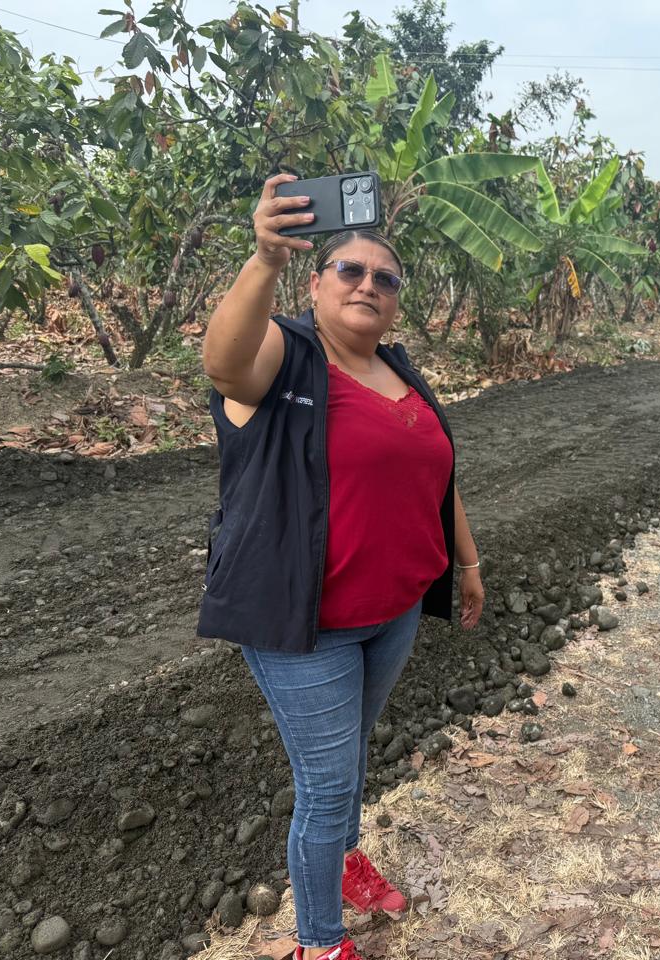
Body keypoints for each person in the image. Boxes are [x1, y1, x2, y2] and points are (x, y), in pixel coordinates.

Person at [198, 173, 485, 960]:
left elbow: (438, 476)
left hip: (393, 613)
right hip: (308, 625)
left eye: (385, 279)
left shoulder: (400, 370)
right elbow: (224, 364)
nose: (368, 284)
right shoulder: (284, 358)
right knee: (325, 787)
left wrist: (466, 562)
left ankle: (345, 862)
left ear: (396, 302)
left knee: (350, 757)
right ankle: (321, 944)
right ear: (316, 284)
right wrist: (263, 258)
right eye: (350, 270)